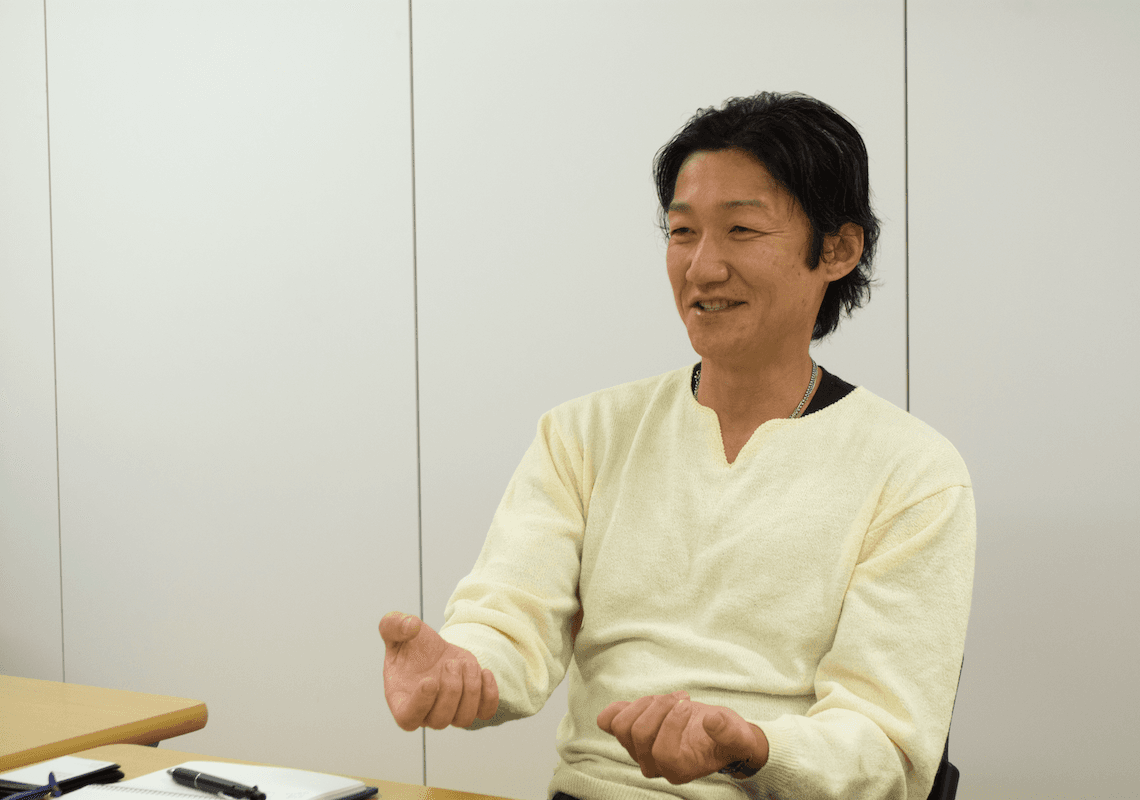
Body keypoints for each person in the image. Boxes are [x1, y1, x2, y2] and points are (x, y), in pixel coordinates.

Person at [379, 91, 975, 800]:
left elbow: (887, 744)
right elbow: (509, 621)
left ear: (838, 249)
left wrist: (751, 747)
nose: (702, 267)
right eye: (683, 231)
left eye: (742, 230)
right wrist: (461, 668)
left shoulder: (913, 471)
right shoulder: (584, 433)